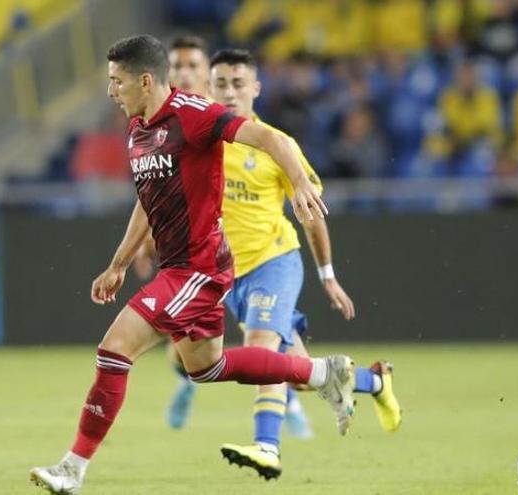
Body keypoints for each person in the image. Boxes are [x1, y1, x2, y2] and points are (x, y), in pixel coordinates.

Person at [30, 34, 357, 494]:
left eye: (116, 81)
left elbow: (264, 135)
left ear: (145, 80)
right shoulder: (139, 128)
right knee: (207, 367)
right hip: (178, 268)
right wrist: (119, 263)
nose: (111, 91)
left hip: (199, 269)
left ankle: (72, 467)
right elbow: (147, 203)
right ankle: (324, 373)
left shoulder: (193, 114)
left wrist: (300, 182)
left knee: (114, 349)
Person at [208, 48, 401, 480]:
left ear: (255, 89)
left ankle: (267, 448)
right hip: (231, 278)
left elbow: (311, 213)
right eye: (221, 84)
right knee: (296, 374)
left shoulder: (277, 145)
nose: (230, 92)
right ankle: (375, 381)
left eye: (239, 84)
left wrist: (327, 276)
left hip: (274, 262)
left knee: (260, 351)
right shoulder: (200, 145)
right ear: (209, 88)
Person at [154, 37, 316, 440]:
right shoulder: (171, 125)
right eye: (179, 66)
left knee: (261, 346)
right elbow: (155, 191)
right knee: (185, 353)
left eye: (193, 65)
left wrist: (327, 271)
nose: (186, 73)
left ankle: (279, 422)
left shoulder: (225, 120)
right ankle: (188, 385)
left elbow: (273, 143)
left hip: (257, 258)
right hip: (202, 258)